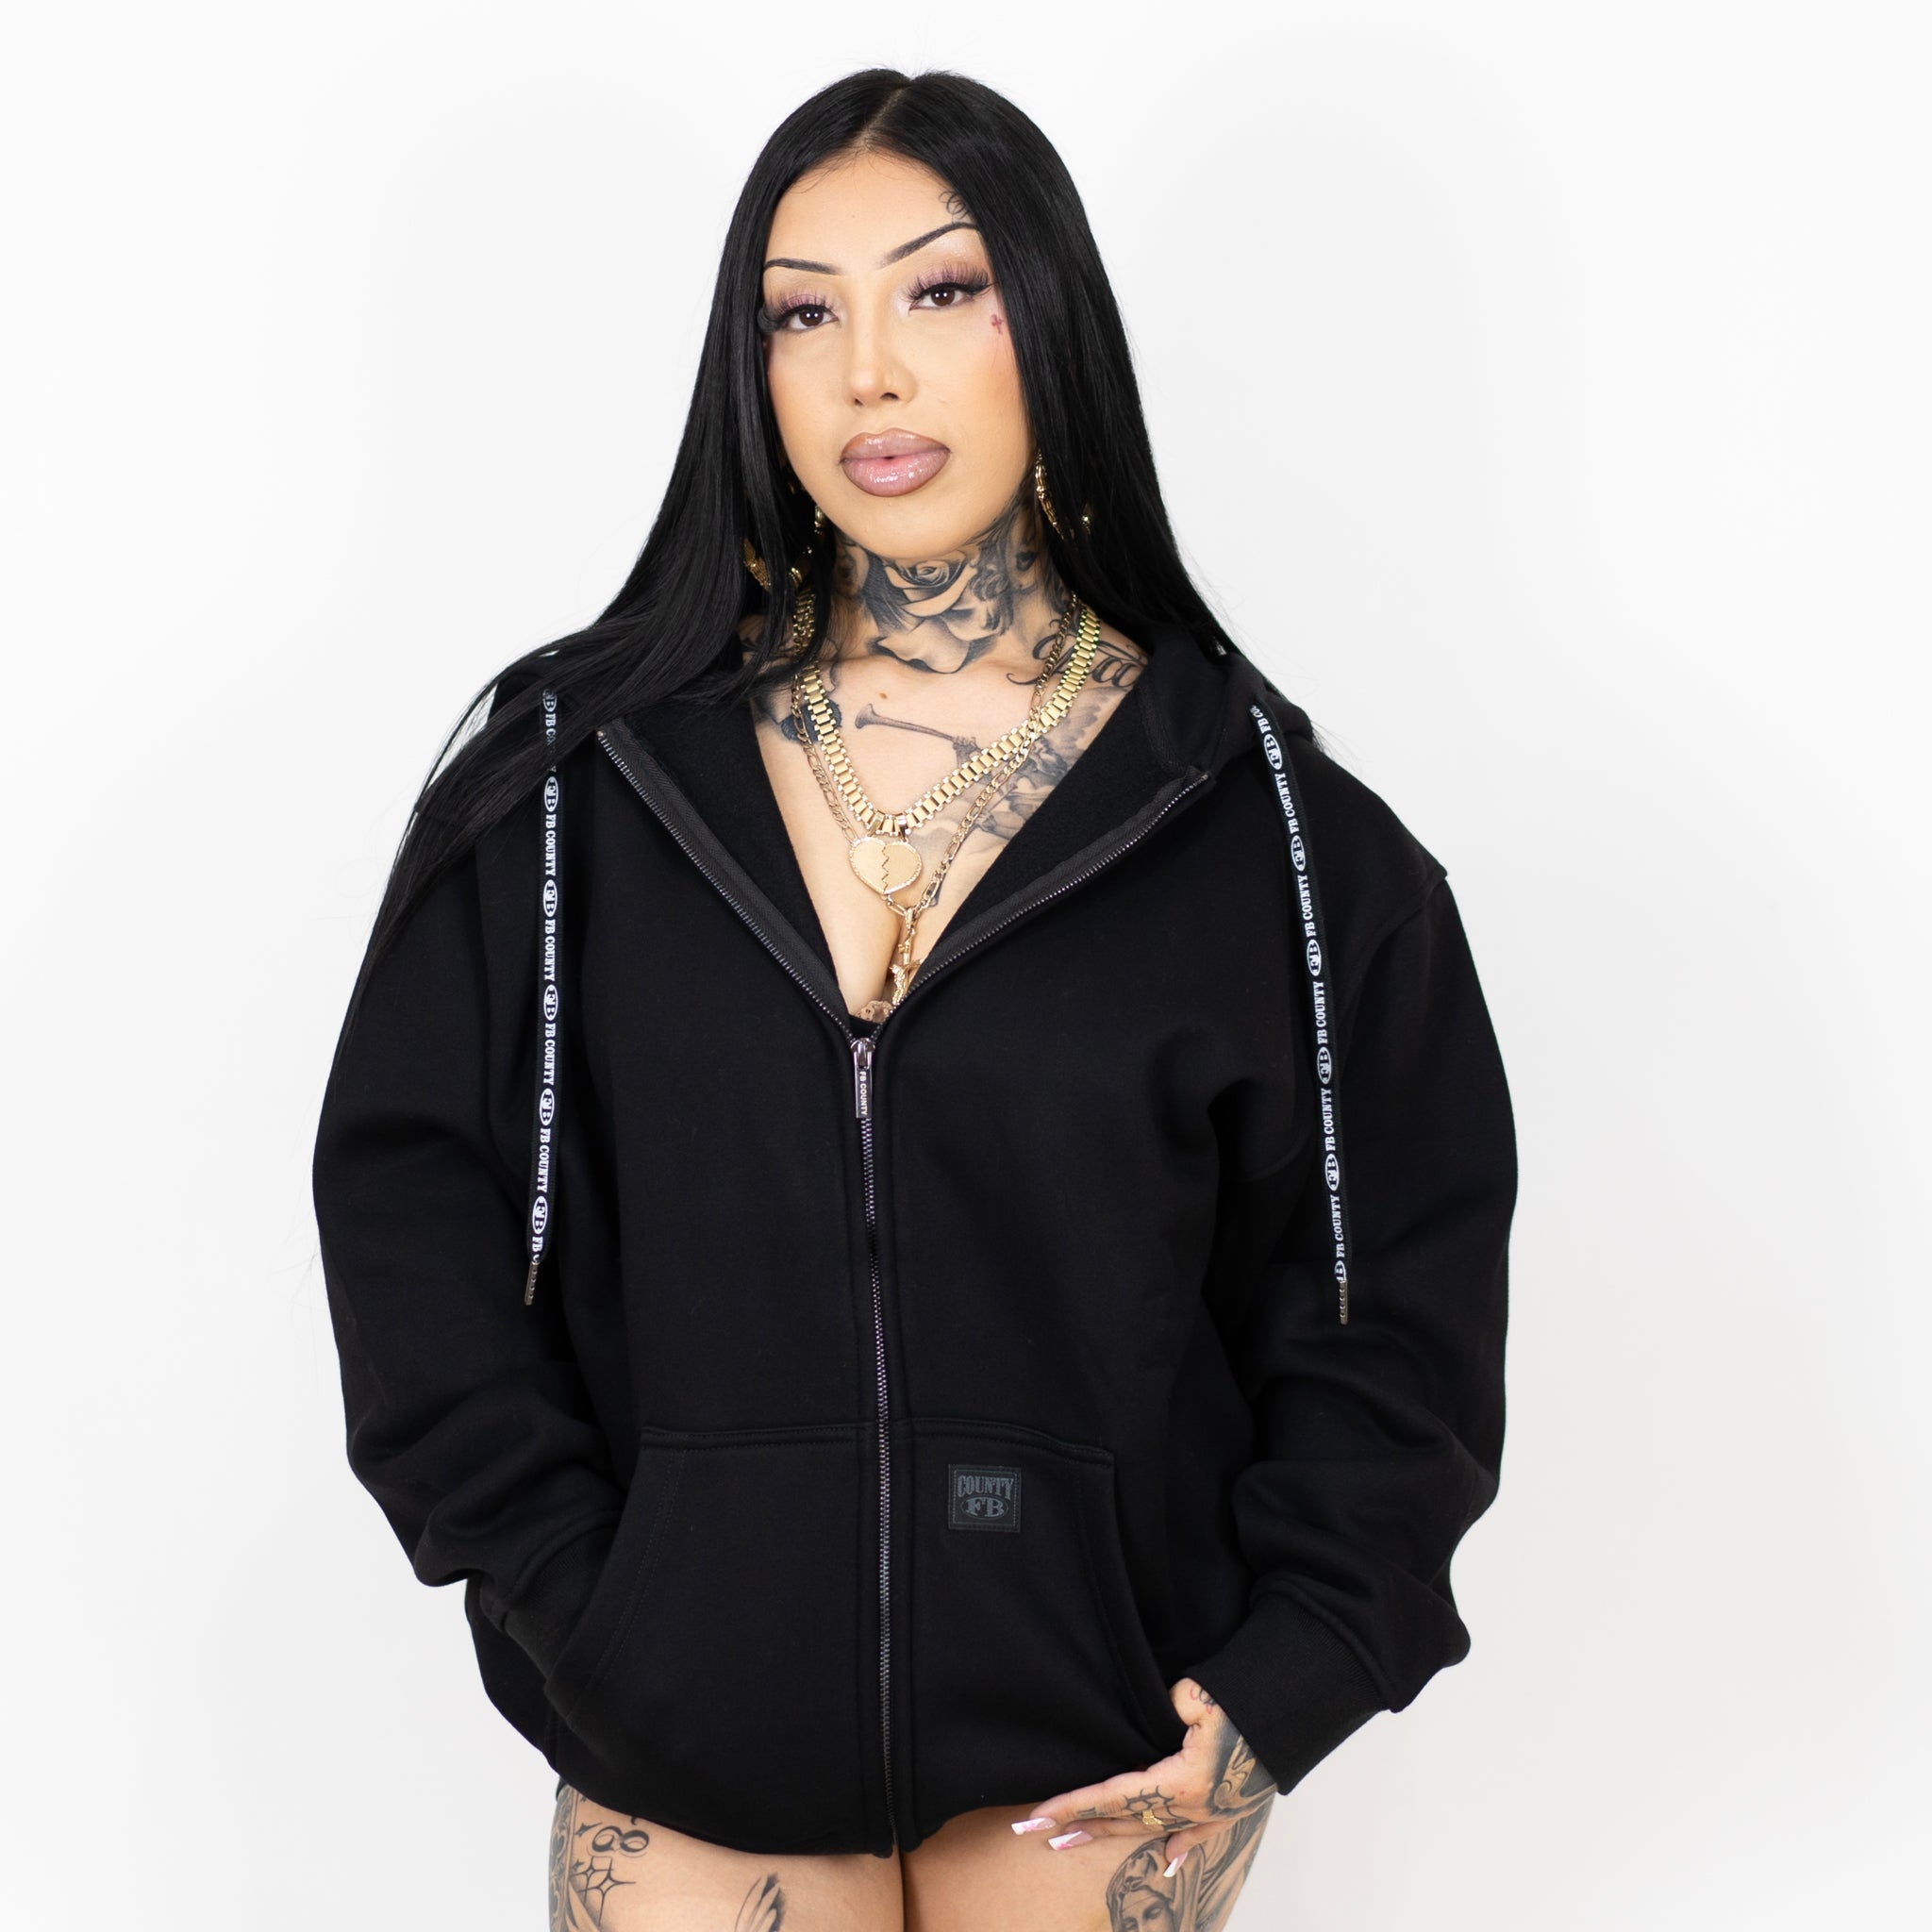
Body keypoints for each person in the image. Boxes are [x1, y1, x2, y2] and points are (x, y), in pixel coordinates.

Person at [311, 67, 1517, 1932]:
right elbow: (412, 1213)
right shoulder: (569, 792)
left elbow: (1393, 1307)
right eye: (802, 315)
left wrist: (1288, 1679)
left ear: (1052, 322)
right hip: (685, 1740)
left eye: (940, 292)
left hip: (1107, 1748)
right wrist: (581, 1601)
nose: (868, 371)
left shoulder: (1276, 839)